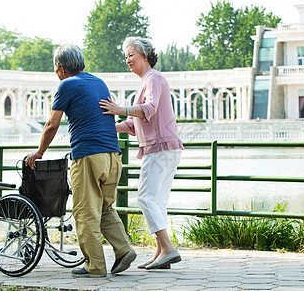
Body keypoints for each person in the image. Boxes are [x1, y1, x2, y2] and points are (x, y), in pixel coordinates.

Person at [25, 44, 136, 278]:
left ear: (61, 68)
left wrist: (39, 153)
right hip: (113, 156)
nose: (56, 72)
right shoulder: (99, 82)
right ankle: (124, 250)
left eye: (55, 68)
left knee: (85, 212)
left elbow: (52, 124)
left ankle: (94, 266)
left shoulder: (67, 84)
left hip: (88, 156)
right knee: (105, 207)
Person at [99, 37, 184, 270]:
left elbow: (150, 108)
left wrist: (120, 109)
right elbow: (133, 124)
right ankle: (161, 253)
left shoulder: (153, 78)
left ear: (144, 56)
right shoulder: (147, 81)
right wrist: (106, 125)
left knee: (145, 198)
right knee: (157, 201)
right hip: (166, 147)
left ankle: (167, 248)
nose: (127, 59)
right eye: (125, 56)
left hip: (159, 148)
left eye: (131, 55)